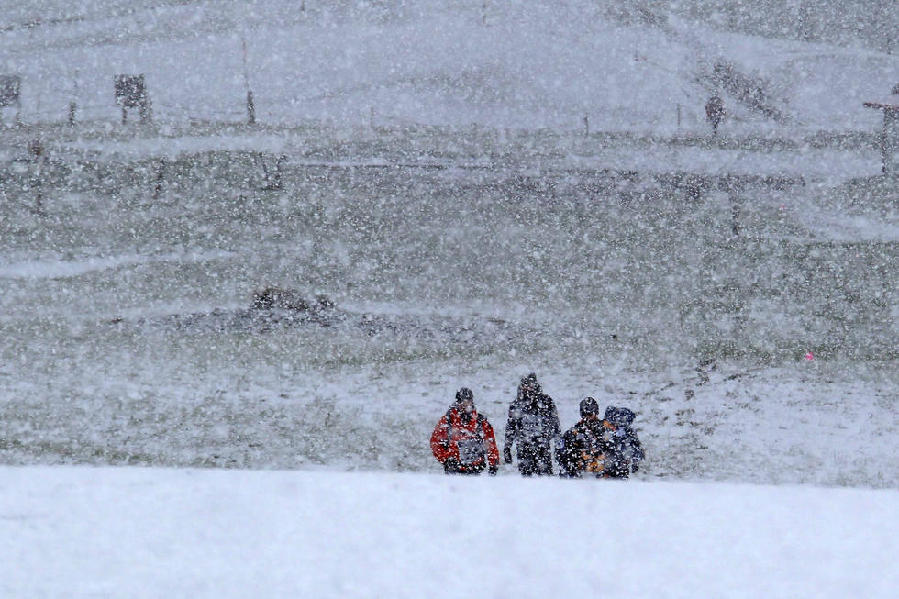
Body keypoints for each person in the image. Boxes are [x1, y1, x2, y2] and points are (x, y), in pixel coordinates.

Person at [430, 387, 500, 475]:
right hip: (454, 470)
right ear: (458, 402)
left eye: (468, 401)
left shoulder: (480, 421)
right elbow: (435, 443)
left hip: (476, 469)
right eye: (463, 401)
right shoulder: (448, 420)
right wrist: (446, 459)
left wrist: (493, 463)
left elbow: (490, 443)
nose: (466, 404)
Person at [503, 373, 561, 476]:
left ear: (535, 385)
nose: (528, 388)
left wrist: (558, 447)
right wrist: (507, 447)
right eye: (526, 385)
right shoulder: (516, 404)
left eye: (530, 385)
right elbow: (511, 427)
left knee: (545, 477)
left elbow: (555, 425)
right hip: (523, 446)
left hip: (542, 445)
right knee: (526, 479)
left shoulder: (546, 401)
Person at [557, 397, 607, 478]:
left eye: (591, 413)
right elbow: (561, 454)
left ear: (596, 412)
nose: (588, 417)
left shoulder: (605, 429)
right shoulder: (573, 432)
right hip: (581, 473)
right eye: (585, 414)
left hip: (603, 472)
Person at [599, 405, 645, 479]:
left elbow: (635, 448)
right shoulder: (605, 430)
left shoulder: (628, 432)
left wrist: (634, 461)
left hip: (620, 467)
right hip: (609, 467)